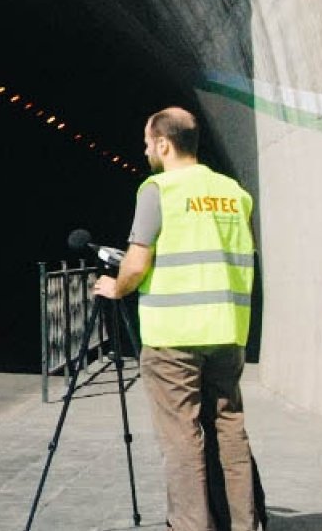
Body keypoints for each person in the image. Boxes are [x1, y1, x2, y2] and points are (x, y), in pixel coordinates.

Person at [93, 107, 258, 530]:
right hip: (226, 333)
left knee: (182, 438)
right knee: (229, 431)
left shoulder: (159, 190)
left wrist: (117, 286)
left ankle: (190, 525)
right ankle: (243, 523)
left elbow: (137, 261)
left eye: (148, 142)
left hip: (173, 338)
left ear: (164, 144)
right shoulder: (234, 193)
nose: (145, 149)